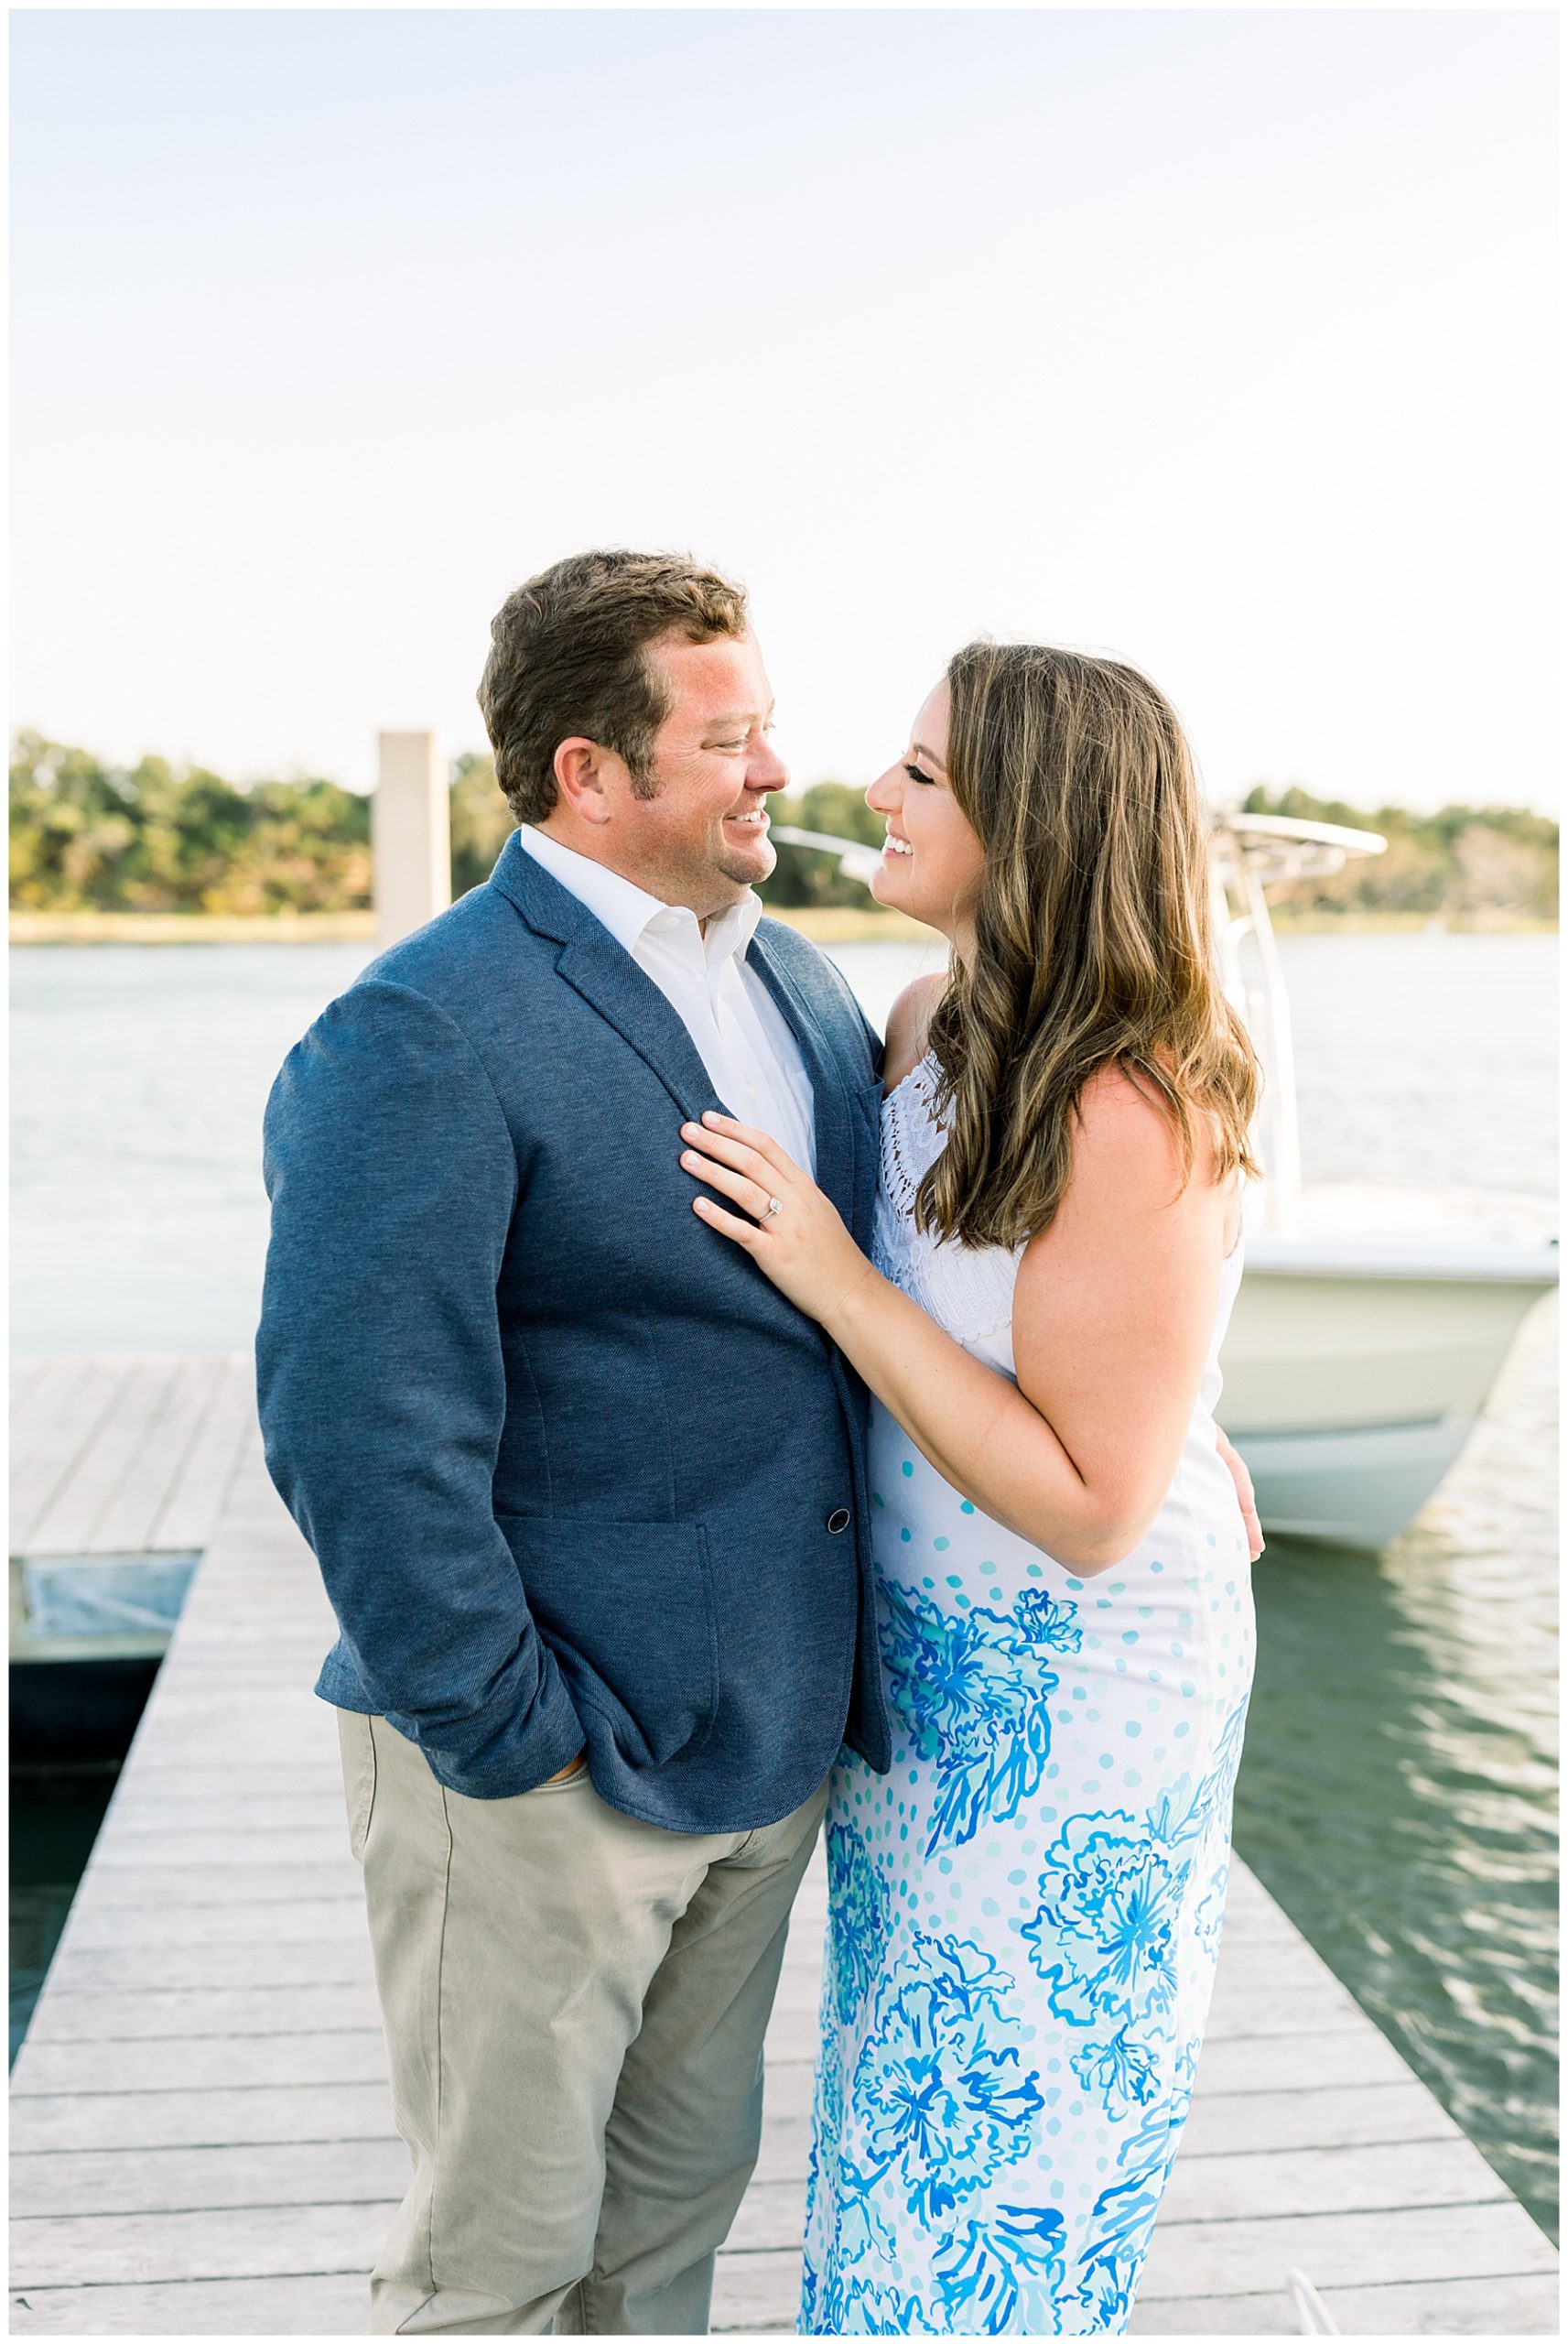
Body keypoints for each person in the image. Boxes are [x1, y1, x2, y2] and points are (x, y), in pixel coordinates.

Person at [255, 548, 894, 2334]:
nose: (773, 770)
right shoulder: (421, 1028)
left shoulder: (804, 990)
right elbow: (353, 1420)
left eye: (768, 727)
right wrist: (507, 1735)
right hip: (543, 1788)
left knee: (663, 2246)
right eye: (727, 738)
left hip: (762, 1770)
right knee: (500, 2272)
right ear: (587, 774)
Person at [675, 640, 1262, 2335]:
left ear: (1038, 822)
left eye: (921, 774)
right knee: (895, 2122)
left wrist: (827, 1271)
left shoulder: (1130, 1102)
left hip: (1077, 1700)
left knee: (1005, 2165)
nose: (872, 792)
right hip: (928, 1684)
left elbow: (1088, 1503)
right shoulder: (930, 1023)